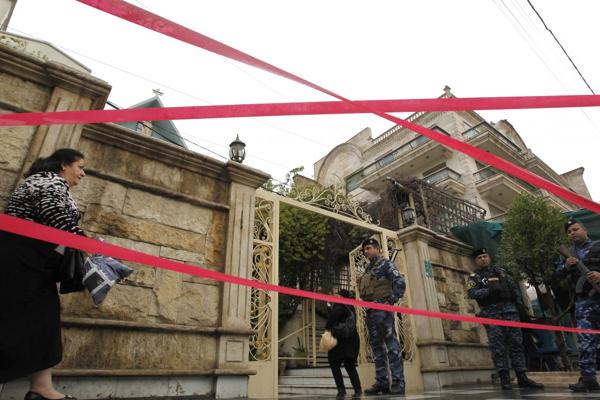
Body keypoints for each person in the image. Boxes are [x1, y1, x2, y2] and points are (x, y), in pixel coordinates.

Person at [0, 148, 86, 400]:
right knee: (20, 320)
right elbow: (58, 220)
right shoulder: (48, 182)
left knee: (42, 320)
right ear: (63, 165)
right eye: (80, 167)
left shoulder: (48, 183)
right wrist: (92, 248)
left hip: (31, 262)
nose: (83, 173)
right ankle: (41, 388)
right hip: (20, 260)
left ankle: (41, 387)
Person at [467, 248, 544, 390]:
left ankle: (522, 376)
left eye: (485, 256)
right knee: (498, 347)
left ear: (489, 257)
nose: (483, 259)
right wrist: (489, 291)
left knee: (516, 344)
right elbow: (472, 293)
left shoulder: (501, 272)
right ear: (476, 261)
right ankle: (504, 378)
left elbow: (514, 291)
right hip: (491, 314)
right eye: (479, 257)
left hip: (510, 312)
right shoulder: (474, 277)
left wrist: (520, 309)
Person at [357, 238, 405, 395]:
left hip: (383, 311)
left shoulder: (386, 264)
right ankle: (382, 382)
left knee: (392, 346)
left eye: (368, 248)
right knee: (376, 348)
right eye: (364, 249)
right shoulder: (367, 269)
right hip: (371, 312)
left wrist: (390, 301)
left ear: (377, 249)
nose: (366, 251)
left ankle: (398, 382)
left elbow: (400, 281)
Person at [556, 219, 600, 392]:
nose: (572, 233)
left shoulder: (598, 246)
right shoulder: (569, 253)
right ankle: (588, 379)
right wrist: (566, 266)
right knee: (585, 341)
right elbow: (557, 274)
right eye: (569, 232)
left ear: (585, 230)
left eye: (575, 229)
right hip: (584, 302)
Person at [326, 289, 362, 398]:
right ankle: (358, 389)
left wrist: (327, 328)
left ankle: (341, 390)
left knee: (334, 363)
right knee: (350, 365)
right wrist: (329, 308)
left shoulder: (339, 305)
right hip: (353, 340)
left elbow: (332, 319)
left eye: (337, 295)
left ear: (341, 296)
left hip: (342, 341)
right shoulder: (351, 307)